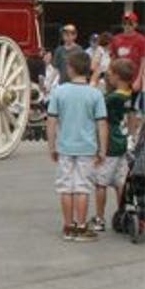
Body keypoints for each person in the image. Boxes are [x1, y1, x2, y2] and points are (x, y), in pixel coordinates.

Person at [46, 51, 108, 242]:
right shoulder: (95, 94)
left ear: (70, 69)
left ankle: (68, 225)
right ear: (88, 69)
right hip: (87, 148)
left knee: (66, 187)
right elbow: (102, 124)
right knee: (82, 187)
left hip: (65, 146)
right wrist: (102, 150)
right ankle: (81, 226)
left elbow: (51, 121)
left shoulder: (59, 92)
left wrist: (51, 146)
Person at [89, 58, 135, 232]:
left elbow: (96, 102)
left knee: (101, 182)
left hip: (109, 144)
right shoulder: (129, 94)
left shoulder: (112, 97)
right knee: (120, 181)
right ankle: (123, 214)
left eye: (110, 74)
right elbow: (131, 117)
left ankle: (100, 219)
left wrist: (94, 80)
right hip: (122, 141)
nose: (108, 76)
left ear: (117, 77)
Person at [109, 11, 145, 133]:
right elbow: (113, 59)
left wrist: (139, 80)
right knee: (117, 106)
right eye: (125, 23)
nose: (127, 26)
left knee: (132, 108)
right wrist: (111, 76)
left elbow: (143, 60)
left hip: (133, 78)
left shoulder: (141, 40)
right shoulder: (116, 39)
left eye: (130, 23)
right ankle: (117, 132)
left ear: (135, 24)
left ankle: (131, 136)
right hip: (119, 79)